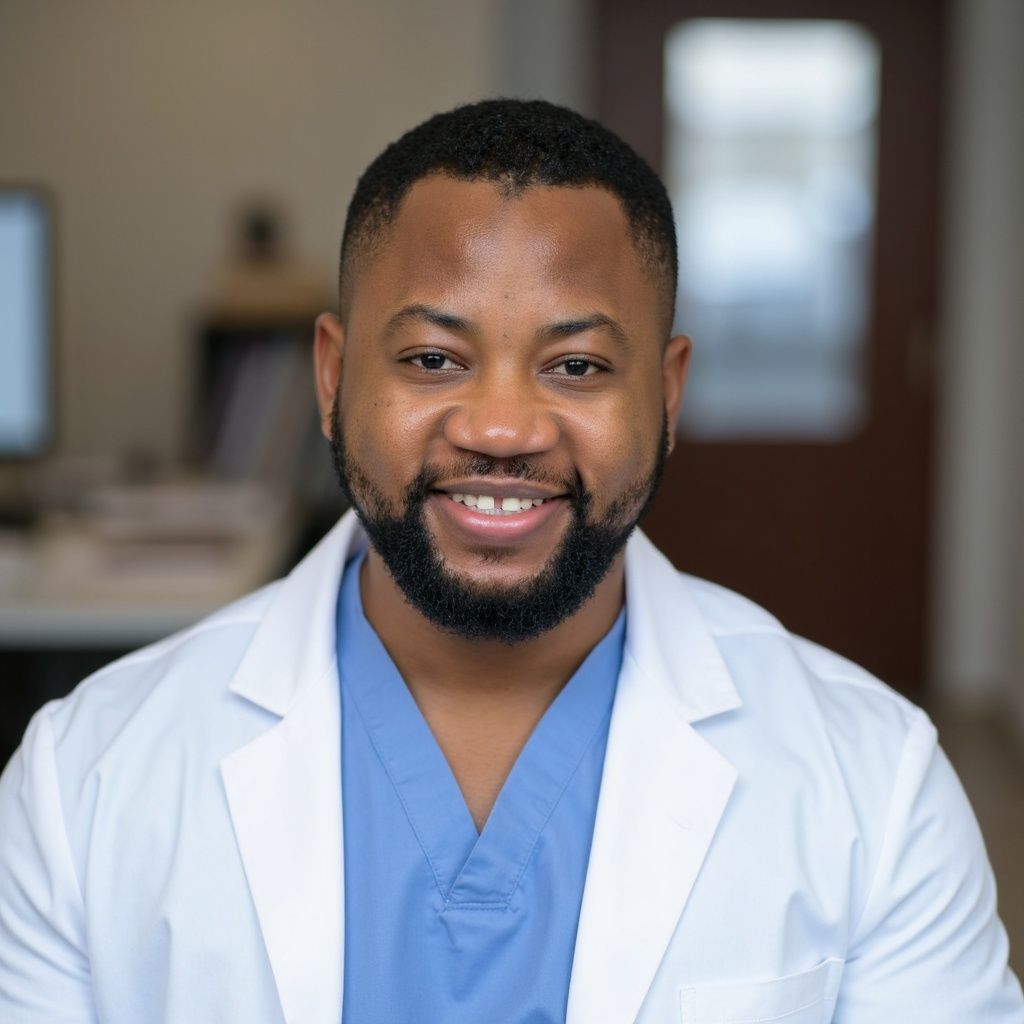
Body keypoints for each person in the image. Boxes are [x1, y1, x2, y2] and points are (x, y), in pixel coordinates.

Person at [0, 99, 1020, 1024]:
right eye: (432, 359)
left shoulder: (875, 786)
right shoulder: (85, 779)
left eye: (576, 365)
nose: (499, 428)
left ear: (666, 397)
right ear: (333, 377)